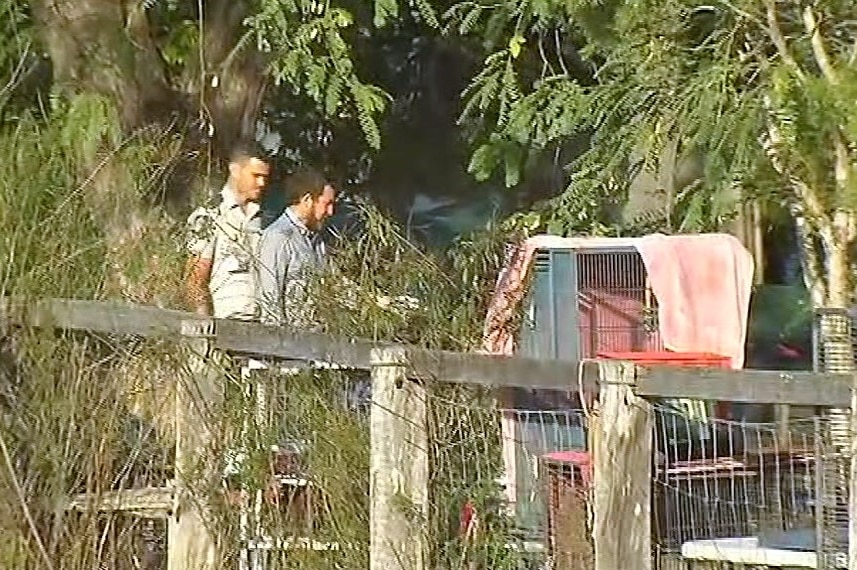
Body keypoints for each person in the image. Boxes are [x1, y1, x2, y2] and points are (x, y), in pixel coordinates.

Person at [185, 143, 271, 320]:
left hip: (261, 321)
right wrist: (204, 323)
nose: (261, 183)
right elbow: (195, 279)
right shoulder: (210, 215)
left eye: (265, 177)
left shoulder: (264, 218)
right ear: (235, 170)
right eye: (256, 176)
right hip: (226, 321)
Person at [255, 168, 336, 327]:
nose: (331, 212)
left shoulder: (317, 241)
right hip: (291, 341)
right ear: (307, 200)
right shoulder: (279, 237)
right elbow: (270, 297)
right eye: (327, 204)